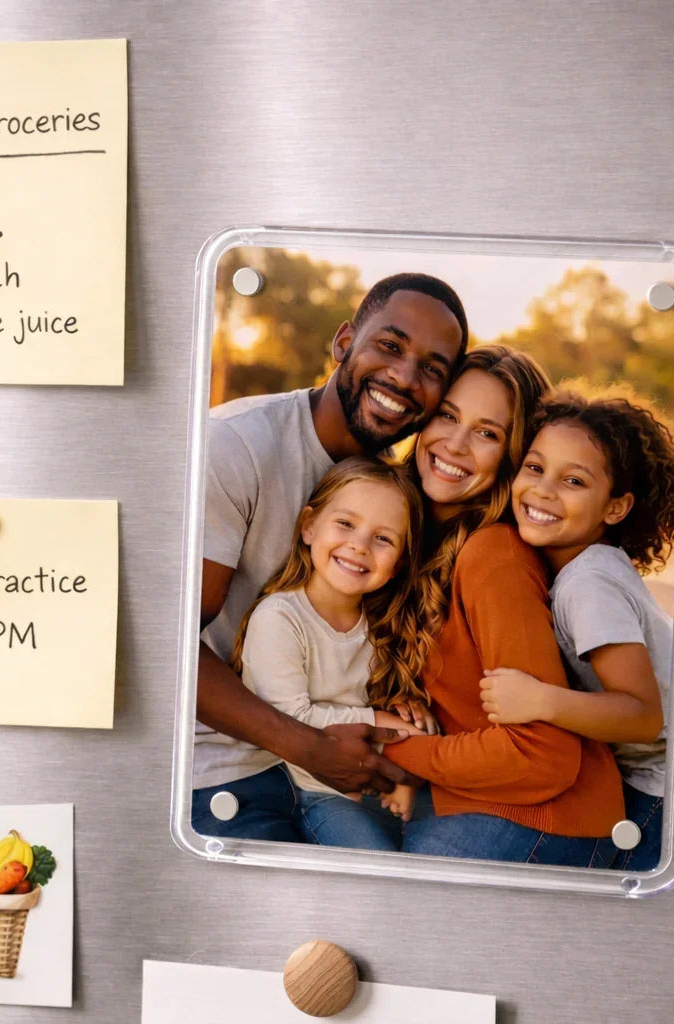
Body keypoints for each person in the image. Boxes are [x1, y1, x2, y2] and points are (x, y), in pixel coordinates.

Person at [192, 273, 468, 843]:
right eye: (389, 346)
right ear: (344, 342)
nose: (404, 376)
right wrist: (311, 747)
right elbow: (167, 647)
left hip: (344, 767)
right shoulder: (237, 445)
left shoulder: (404, 493)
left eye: (432, 369)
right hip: (227, 769)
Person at [383, 347, 626, 865]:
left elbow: (540, 757)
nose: (455, 443)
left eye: (487, 433)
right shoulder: (399, 529)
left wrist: (388, 746)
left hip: (540, 820)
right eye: (448, 415)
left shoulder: (495, 557)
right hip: (470, 800)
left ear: (514, 456)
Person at [480, 393, 674, 871]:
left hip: (660, 787)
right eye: (535, 468)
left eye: (573, 481)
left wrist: (540, 700)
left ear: (615, 508)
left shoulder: (587, 583)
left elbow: (642, 716)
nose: (544, 491)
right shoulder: (577, 566)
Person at [232, 457, 432, 850]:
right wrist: (381, 722)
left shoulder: (381, 626)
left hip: (374, 787)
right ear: (309, 526)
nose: (358, 545)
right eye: (345, 524)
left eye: (383, 538)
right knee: (376, 866)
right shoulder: (280, 618)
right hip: (309, 791)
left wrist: (407, 716)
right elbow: (290, 718)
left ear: (400, 562)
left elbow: (403, 722)